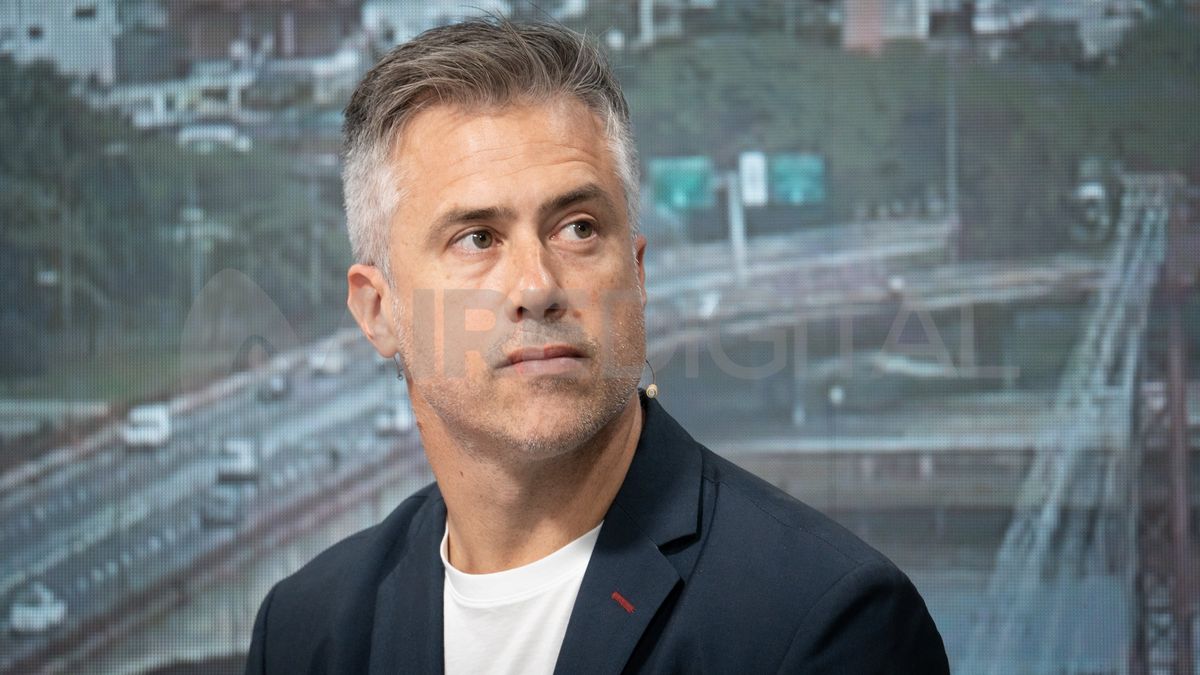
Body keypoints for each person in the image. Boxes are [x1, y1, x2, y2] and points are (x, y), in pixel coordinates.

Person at [244, 19, 949, 674]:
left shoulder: (825, 619)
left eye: (578, 228)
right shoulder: (306, 630)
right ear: (377, 310)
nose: (538, 285)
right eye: (477, 239)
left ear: (636, 275)